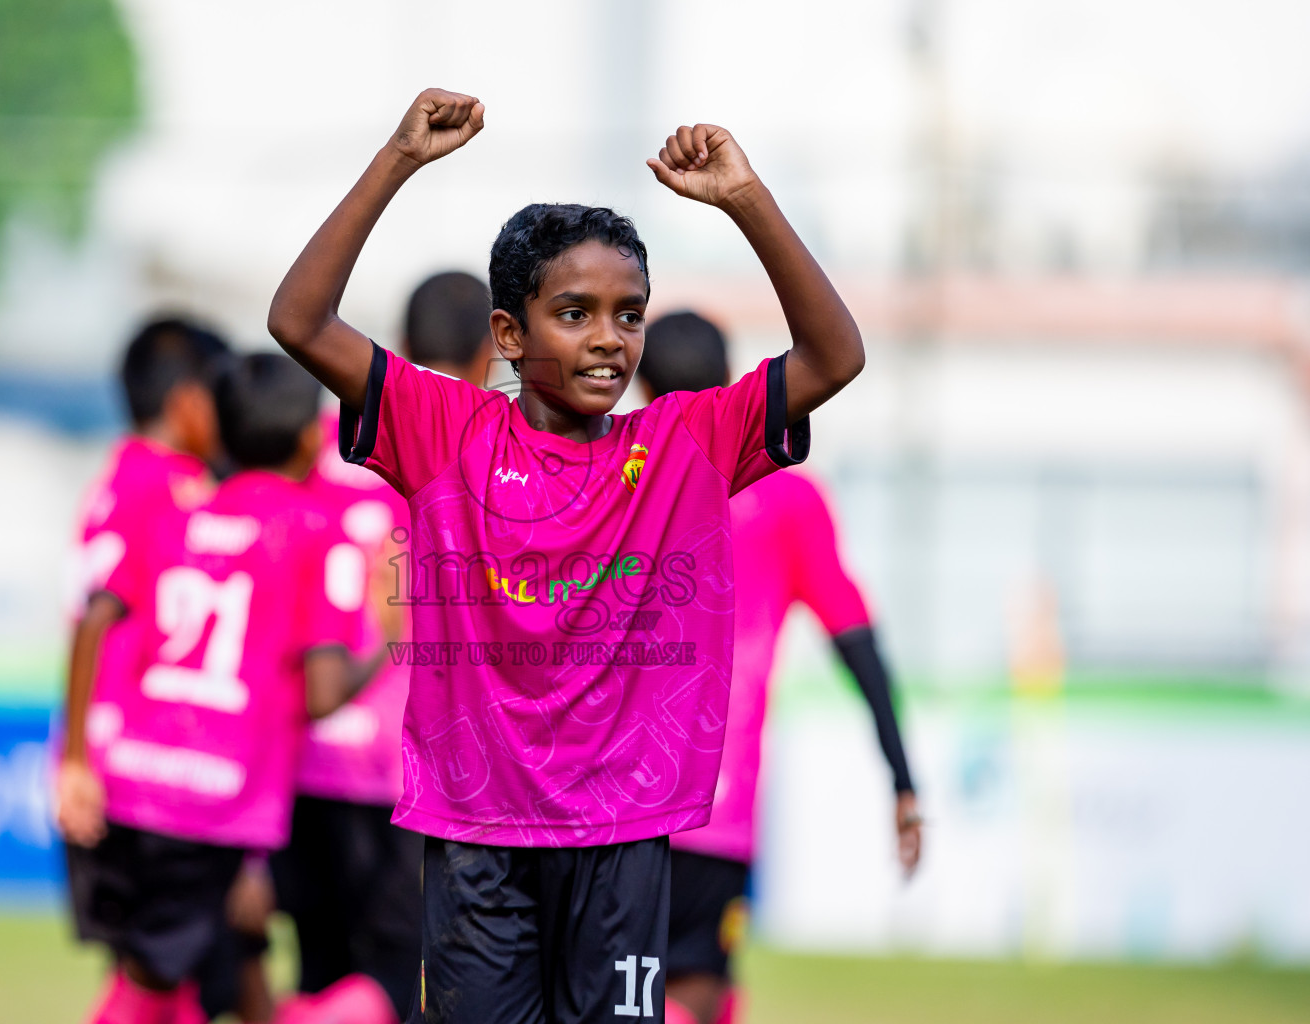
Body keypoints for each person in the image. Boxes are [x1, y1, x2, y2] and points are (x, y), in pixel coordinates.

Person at [267, 89, 865, 1023]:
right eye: (575, 313)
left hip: (623, 842)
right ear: (509, 335)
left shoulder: (686, 443)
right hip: (476, 842)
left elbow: (835, 355)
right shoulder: (446, 430)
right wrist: (398, 160)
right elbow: (299, 322)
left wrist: (747, 199)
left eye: (629, 316)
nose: (608, 340)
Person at [57, 352, 398, 1024]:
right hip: (212, 807)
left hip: (129, 789)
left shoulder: (172, 515)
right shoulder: (311, 535)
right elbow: (324, 692)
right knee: (163, 985)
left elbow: (96, 616)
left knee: (188, 977)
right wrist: (389, 629)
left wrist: (73, 759)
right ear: (311, 440)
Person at [637, 311, 921, 1024]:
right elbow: (857, 642)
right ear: (732, 381)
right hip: (716, 801)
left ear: (640, 381)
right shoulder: (790, 499)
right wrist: (902, 775)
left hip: (605, 799)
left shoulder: (614, 476)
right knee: (692, 997)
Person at [266, 270, 493, 1022]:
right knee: (395, 984)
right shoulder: (485, 443)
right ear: (493, 350)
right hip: (409, 770)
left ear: (399, 344)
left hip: (307, 756)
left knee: (319, 969)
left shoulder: (325, 438)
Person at [57, 316, 233, 970]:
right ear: (188, 401)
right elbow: (96, 620)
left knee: (167, 976)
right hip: (140, 775)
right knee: (183, 975)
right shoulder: (169, 491)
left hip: (108, 762)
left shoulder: (120, 476)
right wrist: (79, 761)